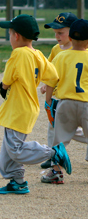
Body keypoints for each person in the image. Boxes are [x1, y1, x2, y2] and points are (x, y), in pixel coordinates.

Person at [0, 15, 71, 194]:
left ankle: (54, 153)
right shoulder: (37, 55)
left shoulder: (18, 53)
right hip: (26, 108)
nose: (10, 37)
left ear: (17, 36)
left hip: (18, 109)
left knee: (16, 149)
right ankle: (18, 181)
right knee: (9, 149)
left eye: (11, 33)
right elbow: (53, 76)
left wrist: (3, 87)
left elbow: (7, 80)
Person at [42, 19, 88, 184]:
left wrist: (48, 102)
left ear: (71, 38)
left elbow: (51, 81)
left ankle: (56, 172)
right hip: (87, 104)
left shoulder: (61, 56)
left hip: (65, 104)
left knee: (58, 140)